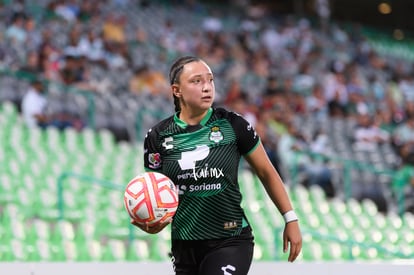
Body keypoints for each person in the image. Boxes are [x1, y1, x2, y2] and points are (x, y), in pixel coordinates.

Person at [132, 56, 302, 274]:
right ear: (177, 90)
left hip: (230, 240)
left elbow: (266, 171)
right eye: (196, 81)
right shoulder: (157, 136)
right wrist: (153, 222)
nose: (207, 87)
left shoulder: (232, 125)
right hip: (185, 245)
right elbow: (157, 195)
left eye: (210, 80)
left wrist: (290, 218)